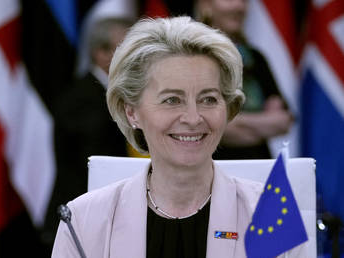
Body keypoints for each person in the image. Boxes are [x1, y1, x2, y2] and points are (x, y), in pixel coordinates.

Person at [51, 17, 308, 257]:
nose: (193, 118)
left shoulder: (273, 216)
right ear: (132, 112)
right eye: (172, 100)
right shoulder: (82, 221)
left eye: (208, 99)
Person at [42, 17, 133, 247]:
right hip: (77, 223)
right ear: (101, 53)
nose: (136, 57)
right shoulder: (83, 99)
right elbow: (96, 162)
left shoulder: (107, 95)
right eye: (127, 49)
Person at [196, 0, 293, 159]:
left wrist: (232, 123)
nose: (239, 7)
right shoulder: (193, 57)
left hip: (259, 167)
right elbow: (200, 123)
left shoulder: (256, 57)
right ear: (205, 5)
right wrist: (264, 124)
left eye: (244, 1)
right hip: (213, 168)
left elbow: (283, 121)